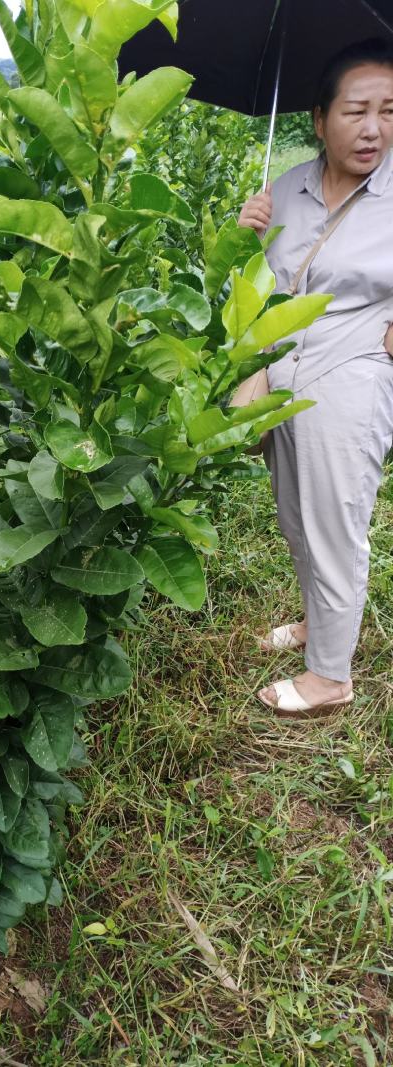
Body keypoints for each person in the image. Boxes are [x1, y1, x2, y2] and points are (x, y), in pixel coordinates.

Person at [237, 37, 393, 720]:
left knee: (335, 521)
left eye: (390, 111)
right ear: (318, 117)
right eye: (357, 110)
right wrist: (244, 236)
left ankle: (330, 675)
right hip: (284, 372)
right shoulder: (287, 189)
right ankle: (316, 620)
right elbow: (259, 286)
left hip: (352, 371)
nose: (374, 128)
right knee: (296, 513)